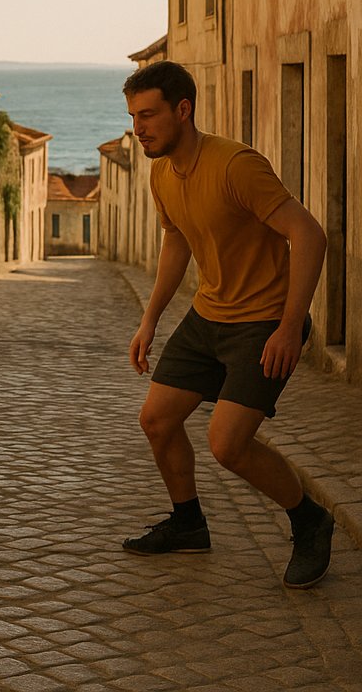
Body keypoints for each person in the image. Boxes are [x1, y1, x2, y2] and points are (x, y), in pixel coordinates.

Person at [122, 60, 332, 589]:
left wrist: (289, 328)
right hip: (209, 315)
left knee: (227, 444)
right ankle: (188, 522)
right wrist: (150, 319)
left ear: (183, 110)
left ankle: (311, 520)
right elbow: (177, 241)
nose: (138, 128)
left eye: (148, 115)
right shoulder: (161, 171)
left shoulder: (237, 165)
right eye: (133, 116)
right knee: (157, 420)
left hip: (263, 321)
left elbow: (308, 236)